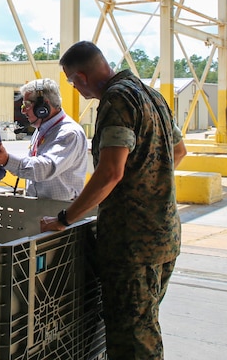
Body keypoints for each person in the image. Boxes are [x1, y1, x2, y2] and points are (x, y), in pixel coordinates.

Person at [40, 41, 187, 360]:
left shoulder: (116, 99)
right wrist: (148, 183)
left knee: (131, 341)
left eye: (70, 81)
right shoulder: (151, 95)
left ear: (80, 77)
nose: (73, 88)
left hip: (132, 243)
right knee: (144, 327)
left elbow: (110, 172)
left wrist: (65, 218)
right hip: (165, 236)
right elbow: (178, 151)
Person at [0, 78, 88, 200]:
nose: (23, 111)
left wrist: (7, 160)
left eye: (27, 105)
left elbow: (44, 169)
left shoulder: (69, 133)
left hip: (60, 212)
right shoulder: (41, 130)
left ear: (43, 107)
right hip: (38, 209)